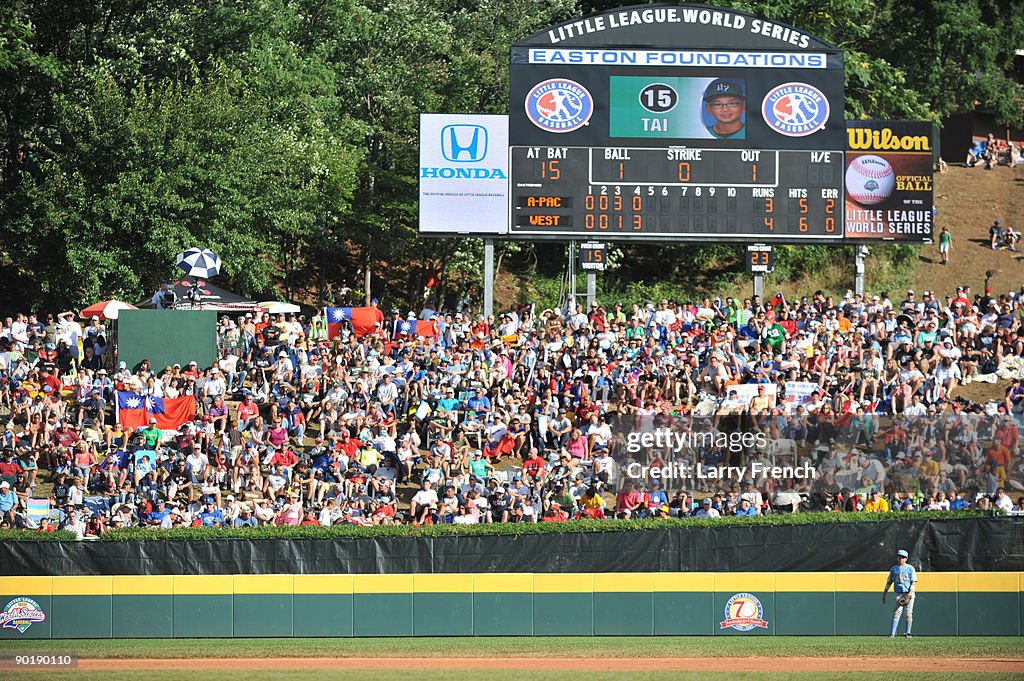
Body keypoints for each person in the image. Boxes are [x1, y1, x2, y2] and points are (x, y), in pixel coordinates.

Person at [883, 548, 918, 637]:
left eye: (903, 557)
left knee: (908, 613)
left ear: (906, 559)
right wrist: (884, 593)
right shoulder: (894, 569)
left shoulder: (910, 568)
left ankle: (908, 633)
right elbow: (889, 582)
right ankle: (892, 634)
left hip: (908, 593)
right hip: (899, 593)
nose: (901, 559)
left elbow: (913, 581)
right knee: (896, 612)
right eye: (899, 557)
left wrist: (910, 593)